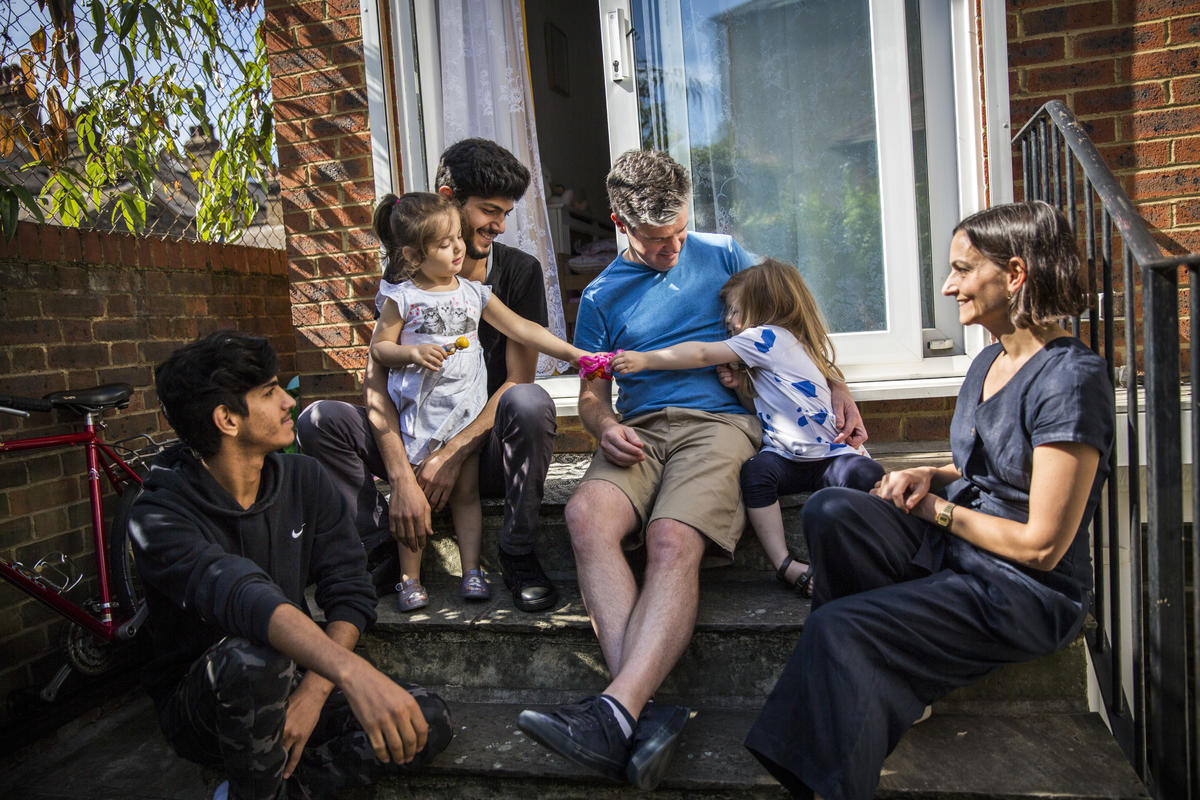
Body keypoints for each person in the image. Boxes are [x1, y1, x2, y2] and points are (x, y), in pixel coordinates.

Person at [517, 150, 868, 791]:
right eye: (657, 241)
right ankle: (638, 714)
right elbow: (591, 393)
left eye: (681, 231)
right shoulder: (599, 297)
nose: (674, 248)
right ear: (621, 223)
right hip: (640, 433)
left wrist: (836, 381)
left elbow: (786, 326)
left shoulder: (725, 253)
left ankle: (616, 712)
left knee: (671, 539)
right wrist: (603, 426)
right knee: (584, 513)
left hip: (721, 426)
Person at [743, 201, 1115, 799]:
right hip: (962, 547)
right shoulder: (990, 359)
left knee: (842, 628)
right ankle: (880, 679)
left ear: (1014, 274)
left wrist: (935, 509)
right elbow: (989, 468)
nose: (948, 286)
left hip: (1022, 590)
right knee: (830, 507)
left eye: (962, 270)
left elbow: (1042, 545)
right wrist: (929, 473)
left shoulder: (1070, 379)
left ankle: (851, 715)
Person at [129, 331, 452, 800]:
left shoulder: (303, 477)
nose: (288, 401)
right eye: (269, 392)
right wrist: (351, 672)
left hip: (293, 679)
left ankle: (271, 790)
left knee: (424, 718)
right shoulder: (159, 513)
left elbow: (349, 589)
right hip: (206, 703)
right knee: (254, 653)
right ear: (226, 419)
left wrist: (315, 693)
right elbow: (241, 595)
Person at [297, 138, 563, 613]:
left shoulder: (519, 272)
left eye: (507, 212)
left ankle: (518, 550)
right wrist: (401, 477)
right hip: (411, 438)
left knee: (531, 402)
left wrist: (449, 456)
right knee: (320, 420)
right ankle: (380, 543)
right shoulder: (407, 278)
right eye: (488, 211)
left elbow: (518, 381)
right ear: (447, 199)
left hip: (483, 456)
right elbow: (375, 379)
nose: (499, 226)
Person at [369, 191, 591, 610]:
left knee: (467, 498)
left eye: (457, 238)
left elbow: (526, 330)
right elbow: (379, 351)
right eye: (445, 243)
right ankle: (408, 578)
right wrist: (410, 353)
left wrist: (578, 356)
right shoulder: (402, 298)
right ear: (415, 255)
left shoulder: (474, 293)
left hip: (463, 420)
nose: (458, 248)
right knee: (416, 498)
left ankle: (473, 570)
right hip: (419, 420)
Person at [611, 258, 884, 598]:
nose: (727, 320)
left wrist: (645, 359)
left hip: (829, 453)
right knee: (756, 473)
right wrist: (740, 387)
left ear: (764, 307)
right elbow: (759, 412)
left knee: (866, 474)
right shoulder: (770, 351)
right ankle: (785, 564)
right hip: (787, 456)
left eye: (735, 311)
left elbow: (699, 354)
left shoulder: (768, 337)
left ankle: (872, 555)